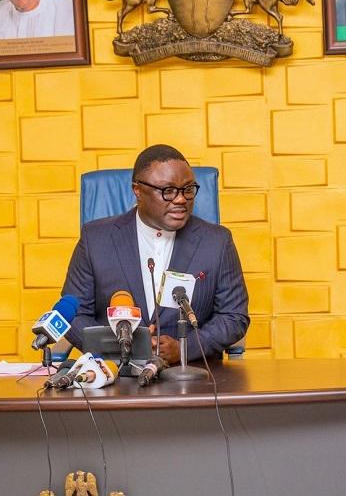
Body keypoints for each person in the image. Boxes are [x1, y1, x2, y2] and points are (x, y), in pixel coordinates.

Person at [61, 145, 249, 364]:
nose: (180, 200)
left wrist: (184, 348)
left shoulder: (217, 241)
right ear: (138, 190)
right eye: (168, 191)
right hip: (117, 375)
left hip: (190, 376)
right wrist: (119, 347)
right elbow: (74, 314)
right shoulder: (95, 239)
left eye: (188, 189)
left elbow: (234, 317)